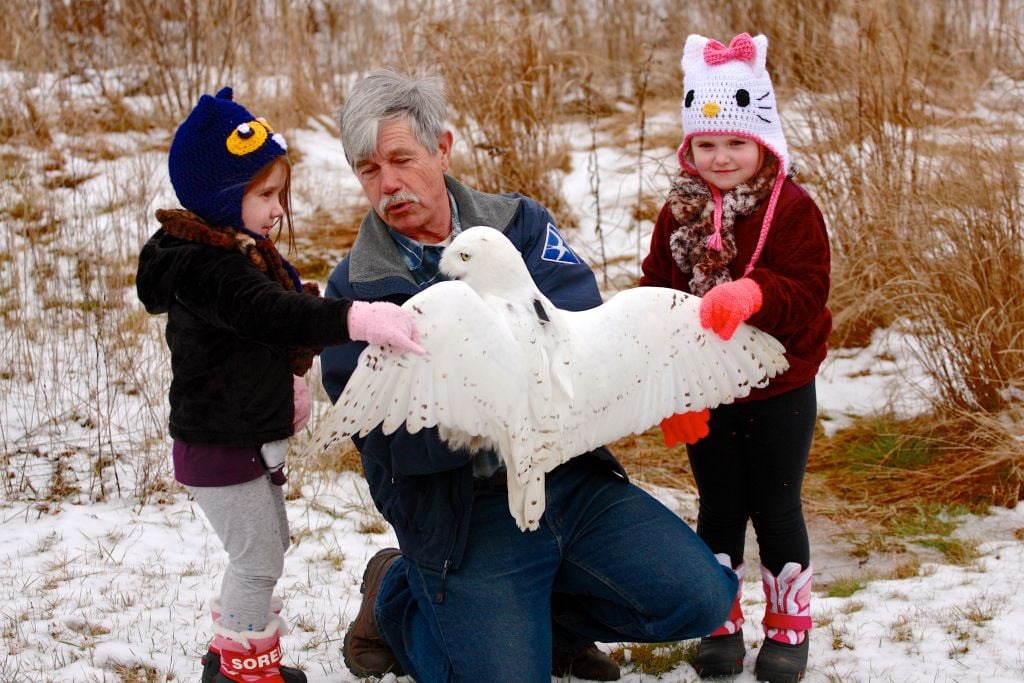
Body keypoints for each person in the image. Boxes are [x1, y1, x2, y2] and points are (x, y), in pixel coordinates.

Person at [319, 68, 738, 683]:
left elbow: (579, 330)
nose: (389, 185)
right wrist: (493, 418)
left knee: (702, 598)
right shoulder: (355, 290)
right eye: (368, 171)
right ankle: (399, 602)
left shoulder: (521, 226)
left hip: (569, 479)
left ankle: (545, 626)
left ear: (442, 147)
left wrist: (538, 413)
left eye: (401, 159)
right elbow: (384, 436)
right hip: (464, 512)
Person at [135, 87, 423, 683]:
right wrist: (357, 318)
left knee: (266, 548)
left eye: (279, 194)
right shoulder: (205, 268)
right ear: (220, 197)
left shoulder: (233, 253)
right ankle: (244, 674)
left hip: (236, 438)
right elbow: (273, 314)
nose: (278, 210)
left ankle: (232, 654)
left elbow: (278, 305)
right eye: (265, 194)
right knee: (258, 557)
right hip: (221, 444)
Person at [639, 34, 832, 683]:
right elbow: (656, 294)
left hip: (779, 385)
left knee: (776, 505)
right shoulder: (678, 213)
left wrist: (755, 291)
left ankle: (789, 626)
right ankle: (719, 621)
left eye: (736, 142)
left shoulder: (793, 210)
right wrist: (668, 385)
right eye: (707, 143)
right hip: (707, 388)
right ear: (689, 147)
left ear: (764, 143)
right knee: (719, 505)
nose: (721, 157)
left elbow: (808, 289)